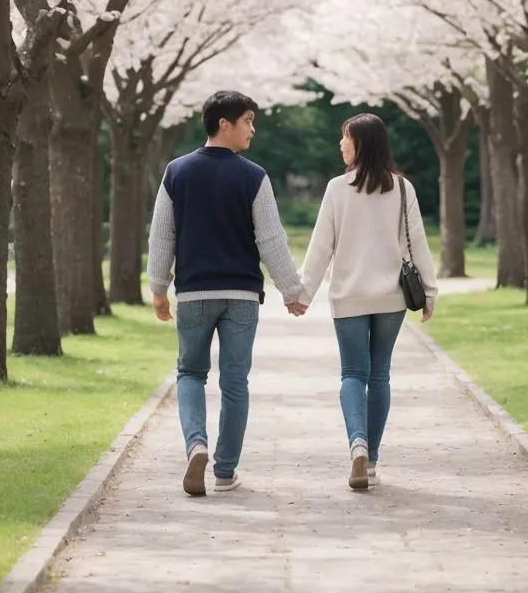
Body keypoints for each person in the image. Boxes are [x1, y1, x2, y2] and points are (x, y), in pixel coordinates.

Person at [148, 90, 303, 497]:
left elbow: (162, 237)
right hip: (241, 297)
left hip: (194, 295)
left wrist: (159, 289)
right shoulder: (254, 176)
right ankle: (224, 471)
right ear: (224, 124)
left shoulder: (176, 172)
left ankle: (195, 444)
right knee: (235, 381)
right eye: (248, 121)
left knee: (190, 374)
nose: (253, 129)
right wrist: (292, 291)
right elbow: (271, 240)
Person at [292, 113, 438, 490]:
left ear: (362, 144)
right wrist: (430, 292)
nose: (341, 144)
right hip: (391, 298)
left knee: (353, 374)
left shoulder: (337, 189)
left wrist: (303, 294)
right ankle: (371, 460)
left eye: (346, 138)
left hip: (350, 296)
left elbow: (320, 246)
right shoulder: (403, 189)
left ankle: (356, 444)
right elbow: (417, 242)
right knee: (380, 374)